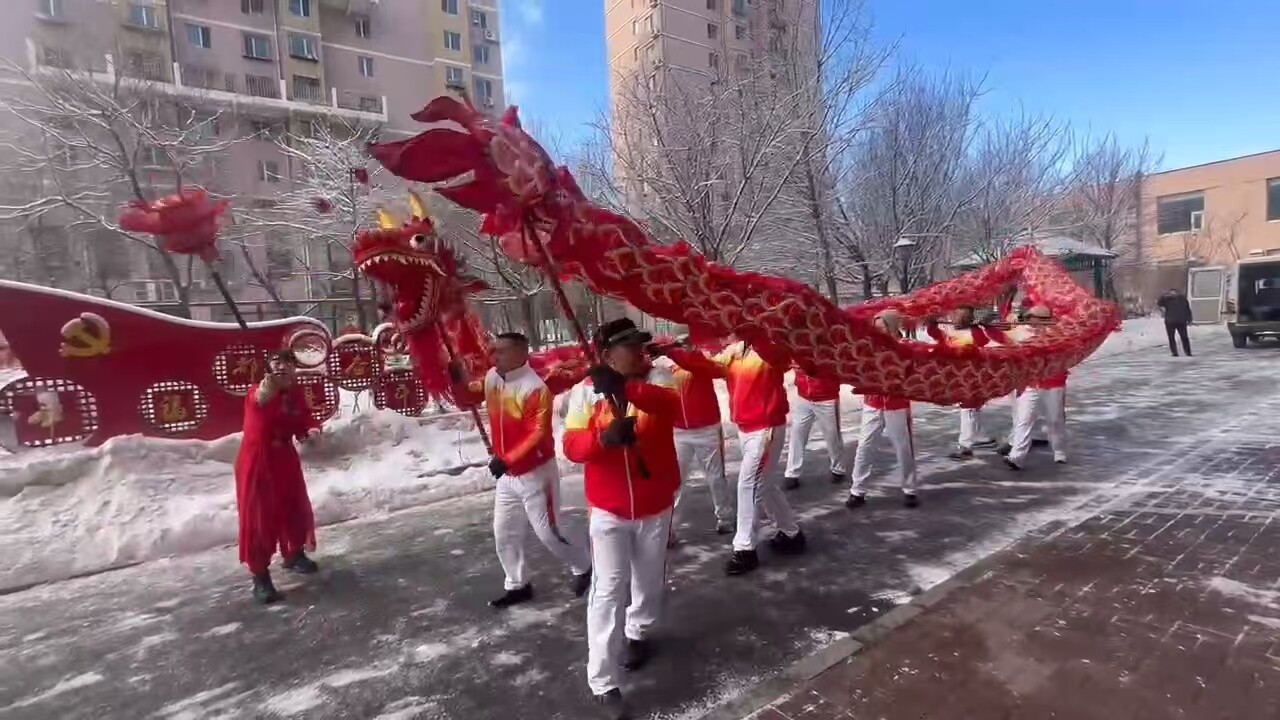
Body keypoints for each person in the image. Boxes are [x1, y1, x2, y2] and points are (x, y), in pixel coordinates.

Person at [563, 318, 681, 720]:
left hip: (654, 504)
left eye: (640, 344)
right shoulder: (584, 392)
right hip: (608, 510)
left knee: (648, 584)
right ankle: (603, 681)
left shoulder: (659, 378)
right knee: (608, 589)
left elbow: (672, 408)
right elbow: (572, 446)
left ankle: (638, 631)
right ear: (607, 353)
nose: (639, 351)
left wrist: (626, 388)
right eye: (629, 346)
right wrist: (604, 439)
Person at [452, 332, 592, 609]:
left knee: (549, 533)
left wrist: (508, 459)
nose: (494, 356)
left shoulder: (534, 388)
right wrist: (457, 379)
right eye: (494, 351)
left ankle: (585, 566)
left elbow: (537, 433)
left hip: (536, 473)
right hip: (508, 476)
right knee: (504, 532)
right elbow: (468, 397)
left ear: (520, 353)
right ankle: (517, 583)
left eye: (501, 351)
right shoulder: (492, 377)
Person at [666, 339, 805, 577]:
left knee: (748, 485)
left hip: (766, 427)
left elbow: (782, 359)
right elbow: (708, 366)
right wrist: (673, 352)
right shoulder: (735, 351)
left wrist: (758, 334)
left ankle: (744, 549)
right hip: (745, 427)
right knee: (765, 485)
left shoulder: (771, 347)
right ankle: (791, 533)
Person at [235, 350, 322, 604]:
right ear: (269, 370)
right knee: (260, 518)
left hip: (285, 458)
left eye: (288, 365)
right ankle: (260, 576)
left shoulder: (294, 394)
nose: (283, 370)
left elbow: (304, 418)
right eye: (277, 365)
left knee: (294, 507)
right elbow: (258, 402)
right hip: (258, 463)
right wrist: (266, 391)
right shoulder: (258, 392)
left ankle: (294, 554)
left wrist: (311, 431)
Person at [650, 338, 734, 542]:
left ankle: (725, 518)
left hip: (707, 429)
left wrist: (674, 351)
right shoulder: (661, 368)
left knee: (716, 478)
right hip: (678, 432)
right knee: (675, 481)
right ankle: (669, 528)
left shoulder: (698, 360)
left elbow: (710, 369)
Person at [847, 311, 919, 509]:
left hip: (897, 404)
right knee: (864, 446)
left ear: (893, 327)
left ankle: (909, 489)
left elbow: (912, 374)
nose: (879, 331)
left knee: (903, 448)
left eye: (883, 327)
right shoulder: (869, 347)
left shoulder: (906, 348)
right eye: (876, 327)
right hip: (873, 403)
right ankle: (857, 490)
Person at [926, 307, 998, 460]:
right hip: (959, 377)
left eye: (959, 315)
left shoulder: (974, 332)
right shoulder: (952, 332)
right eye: (954, 314)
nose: (954, 318)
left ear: (968, 318)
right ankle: (982, 437)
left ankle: (965, 447)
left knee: (968, 411)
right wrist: (932, 324)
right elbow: (937, 335)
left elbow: (983, 341)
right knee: (973, 411)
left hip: (973, 378)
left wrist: (979, 327)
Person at [1004, 306, 1069, 470]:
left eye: (1034, 317)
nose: (1030, 319)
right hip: (1030, 383)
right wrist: (987, 328)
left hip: (1053, 382)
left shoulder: (1057, 334)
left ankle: (1059, 451)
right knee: (1023, 419)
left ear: (1043, 319)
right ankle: (1016, 457)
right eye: (1028, 316)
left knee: (1054, 419)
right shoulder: (1022, 332)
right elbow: (1002, 338)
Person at [783, 367, 847, 488]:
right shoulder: (797, 348)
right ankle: (792, 473)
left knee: (832, 436)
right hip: (803, 397)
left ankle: (838, 469)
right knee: (797, 434)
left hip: (826, 398)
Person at [1157, 287, 1193, 357]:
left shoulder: (1182, 299)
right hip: (1170, 322)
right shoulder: (1166, 299)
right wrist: (1163, 296)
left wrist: (1189, 318)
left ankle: (1188, 352)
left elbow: (1187, 309)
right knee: (1171, 338)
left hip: (1181, 321)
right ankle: (1174, 352)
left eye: (1174, 292)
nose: (1173, 294)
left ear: (1177, 293)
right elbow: (1159, 303)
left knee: (1184, 337)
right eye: (1171, 293)